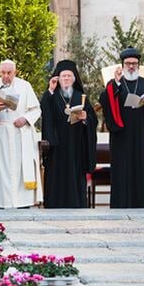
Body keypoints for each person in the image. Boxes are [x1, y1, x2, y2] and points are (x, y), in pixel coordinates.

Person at [99, 47, 144, 208]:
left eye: (134, 63)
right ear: (122, 65)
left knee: (142, 168)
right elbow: (104, 101)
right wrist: (117, 83)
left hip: (142, 135)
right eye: (128, 63)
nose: (131, 66)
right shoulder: (114, 83)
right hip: (122, 136)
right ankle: (121, 204)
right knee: (122, 170)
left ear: (139, 65)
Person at [0, 60, 41, 209]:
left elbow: (36, 109)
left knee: (19, 168)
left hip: (19, 133)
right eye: (3, 73)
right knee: (0, 168)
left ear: (15, 72)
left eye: (9, 73)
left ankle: (21, 201)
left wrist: (25, 119)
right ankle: (0, 201)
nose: (6, 76)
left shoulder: (25, 85)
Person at [40, 59, 96, 208]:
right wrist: (50, 90)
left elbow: (93, 119)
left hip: (76, 145)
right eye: (63, 76)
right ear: (58, 79)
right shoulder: (52, 95)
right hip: (57, 145)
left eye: (69, 76)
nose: (66, 79)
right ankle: (54, 204)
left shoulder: (80, 96)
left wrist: (86, 119)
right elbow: (44, 110)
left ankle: (76, 204)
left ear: (74, 78)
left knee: (75, 175)